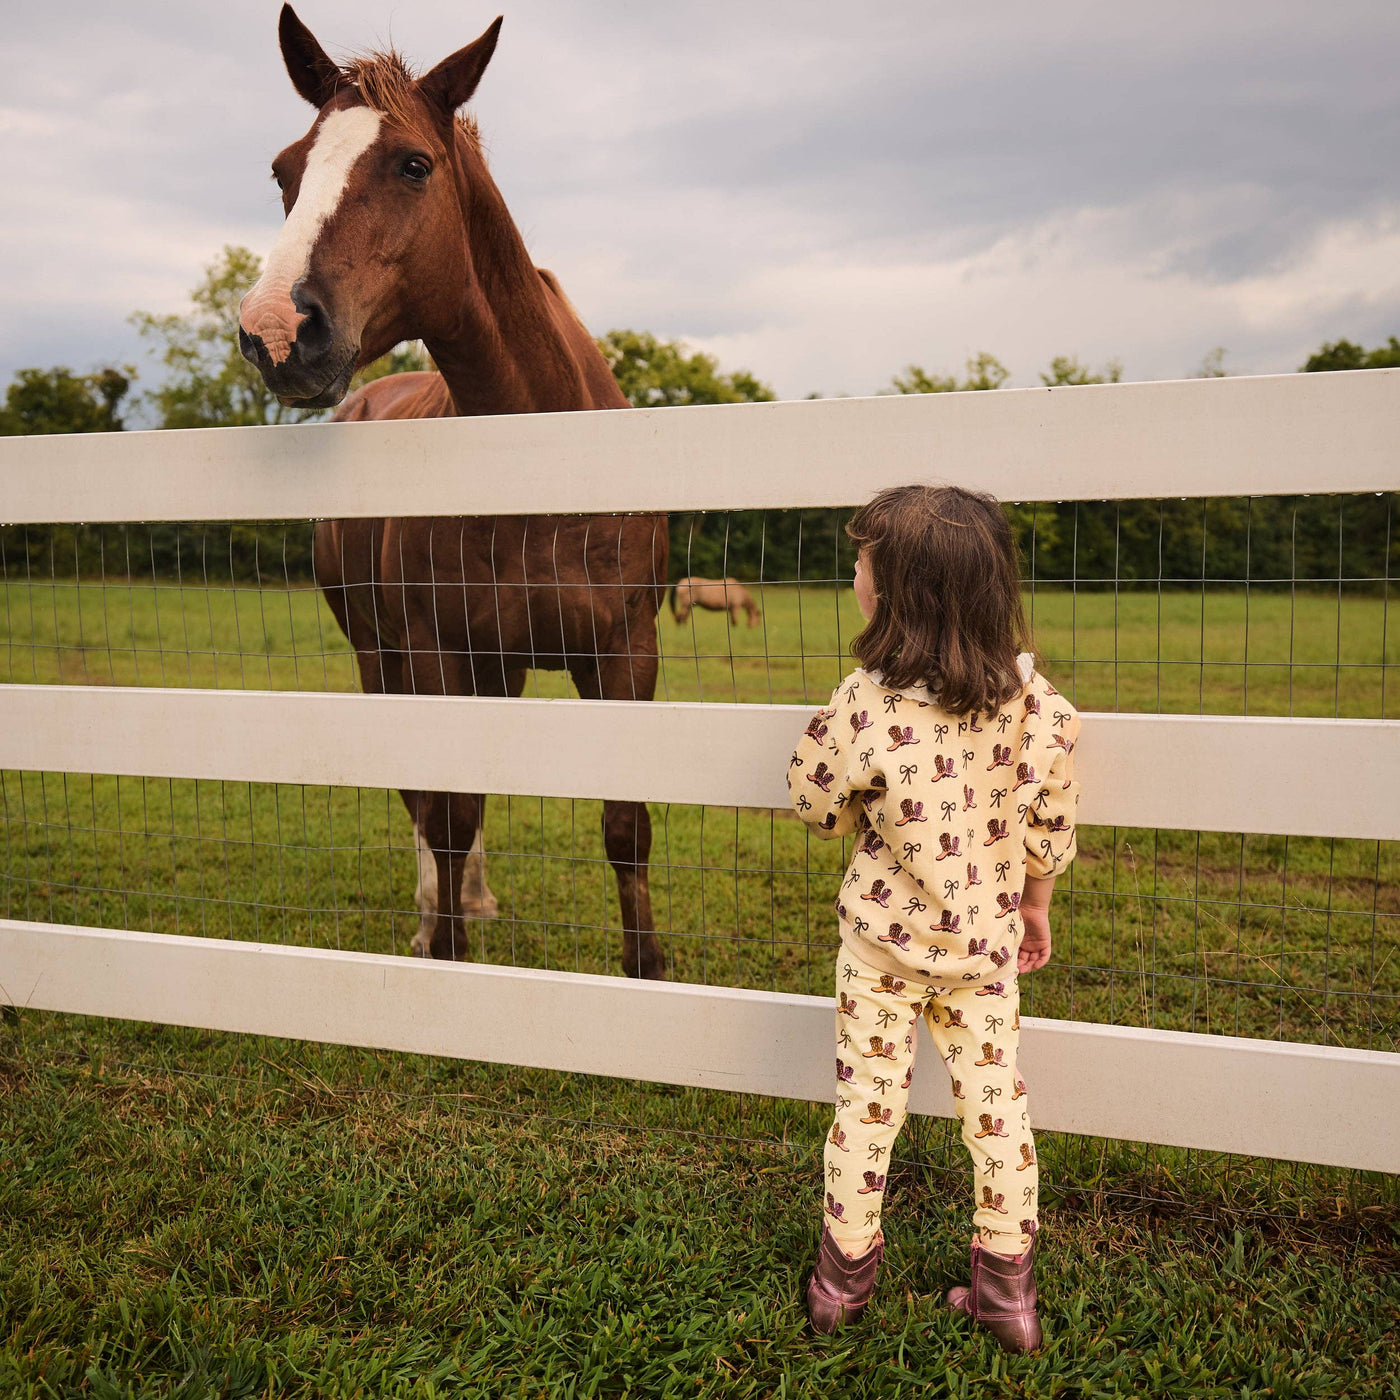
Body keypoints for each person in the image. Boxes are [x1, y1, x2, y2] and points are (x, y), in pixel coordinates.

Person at [787, 483, 1080, 1353]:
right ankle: (1008, 1295)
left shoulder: (865, 704)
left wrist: (858, 804)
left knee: (865, 1109)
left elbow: (814, 802)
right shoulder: (1035, 706)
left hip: (880, 952)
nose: (853, 574)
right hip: (984, 953)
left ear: (895, 594)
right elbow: (1049, 828)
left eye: (861, 564)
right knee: (998, 1112)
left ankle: (841, 1286)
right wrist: (1035, 906)